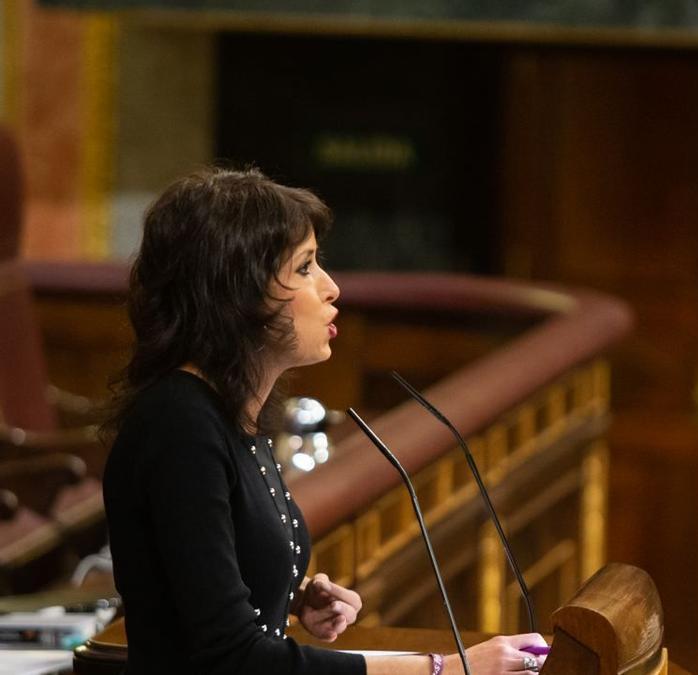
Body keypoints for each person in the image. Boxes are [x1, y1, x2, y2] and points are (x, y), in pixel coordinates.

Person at [102, 167, 547, 675]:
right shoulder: (180, 427)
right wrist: (443, 668)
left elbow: (199, 581)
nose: (332, 288)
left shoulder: (229, 412)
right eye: (306, 268)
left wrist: (293, 597)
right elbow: (231, 659)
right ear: (239, 291)